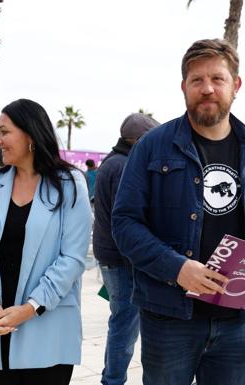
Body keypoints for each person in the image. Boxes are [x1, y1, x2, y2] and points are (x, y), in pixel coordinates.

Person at [111, 38, 245, 385]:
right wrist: (176, 268)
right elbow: (124, 222)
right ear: (184, 88)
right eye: (197, 80)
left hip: (237, 318)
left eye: (217, 79)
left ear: (235, 85)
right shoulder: (152, 146)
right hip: (169, 318)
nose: (207, 89)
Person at [0, 99, 92, 385]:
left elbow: (72, 259)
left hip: (47, 326)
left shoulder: (70, 184)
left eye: (4, 132)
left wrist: (28, 309)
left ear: (31, 135)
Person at [93, 112, 160, 385]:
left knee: (122, 320)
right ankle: (112, 380)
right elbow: (131, 218)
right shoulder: (124, 166)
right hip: (123, 259)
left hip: (113, 255)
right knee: (125, 324)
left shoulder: (112, 162)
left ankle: (111, 378)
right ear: (140, 140)